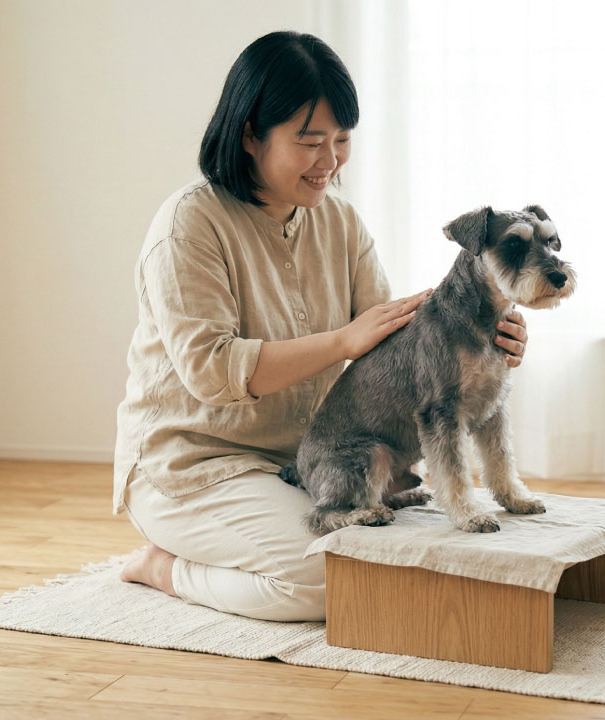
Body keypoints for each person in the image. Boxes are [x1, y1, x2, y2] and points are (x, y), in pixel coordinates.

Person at [113, 31, 529, 622]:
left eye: (342, 140)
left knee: (384, 566)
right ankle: (163, 567)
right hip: (196, 467)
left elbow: (394, 342)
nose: (330, 161)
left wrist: (484, 337)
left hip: (316, 460)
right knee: (328, 579)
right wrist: (341, 341)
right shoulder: (189, 225)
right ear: (250, 135)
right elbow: (210, 370)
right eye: (310, 142)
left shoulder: (340, 221)